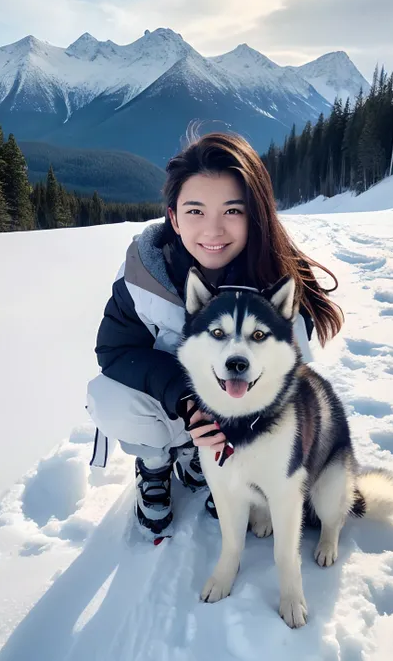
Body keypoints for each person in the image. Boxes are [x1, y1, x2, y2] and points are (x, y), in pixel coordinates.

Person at [86, 132, 343, 542]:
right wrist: (188, 403)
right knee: (108, 396)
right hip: (173, 405)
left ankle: (221, 462)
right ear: (173, 217)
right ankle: (158, 463)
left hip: (241, 411)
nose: (213, 229)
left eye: (232, 210)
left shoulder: (280, 281)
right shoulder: (144, 276)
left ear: (255, 214)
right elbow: (115, 351)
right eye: (195, 210)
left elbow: (289, 373)